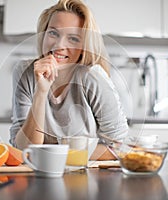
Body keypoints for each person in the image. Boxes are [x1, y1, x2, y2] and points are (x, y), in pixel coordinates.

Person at [10, 0, 128, 160]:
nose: (59, 45)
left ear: (84, 46)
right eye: (53, 33)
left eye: (73, 38)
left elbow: (119, 145)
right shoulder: (25, 73)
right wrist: (41, 92)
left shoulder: (93, 77)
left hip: (85, 176)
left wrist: (61, 157)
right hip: (40, 175)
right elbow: (25, 149)